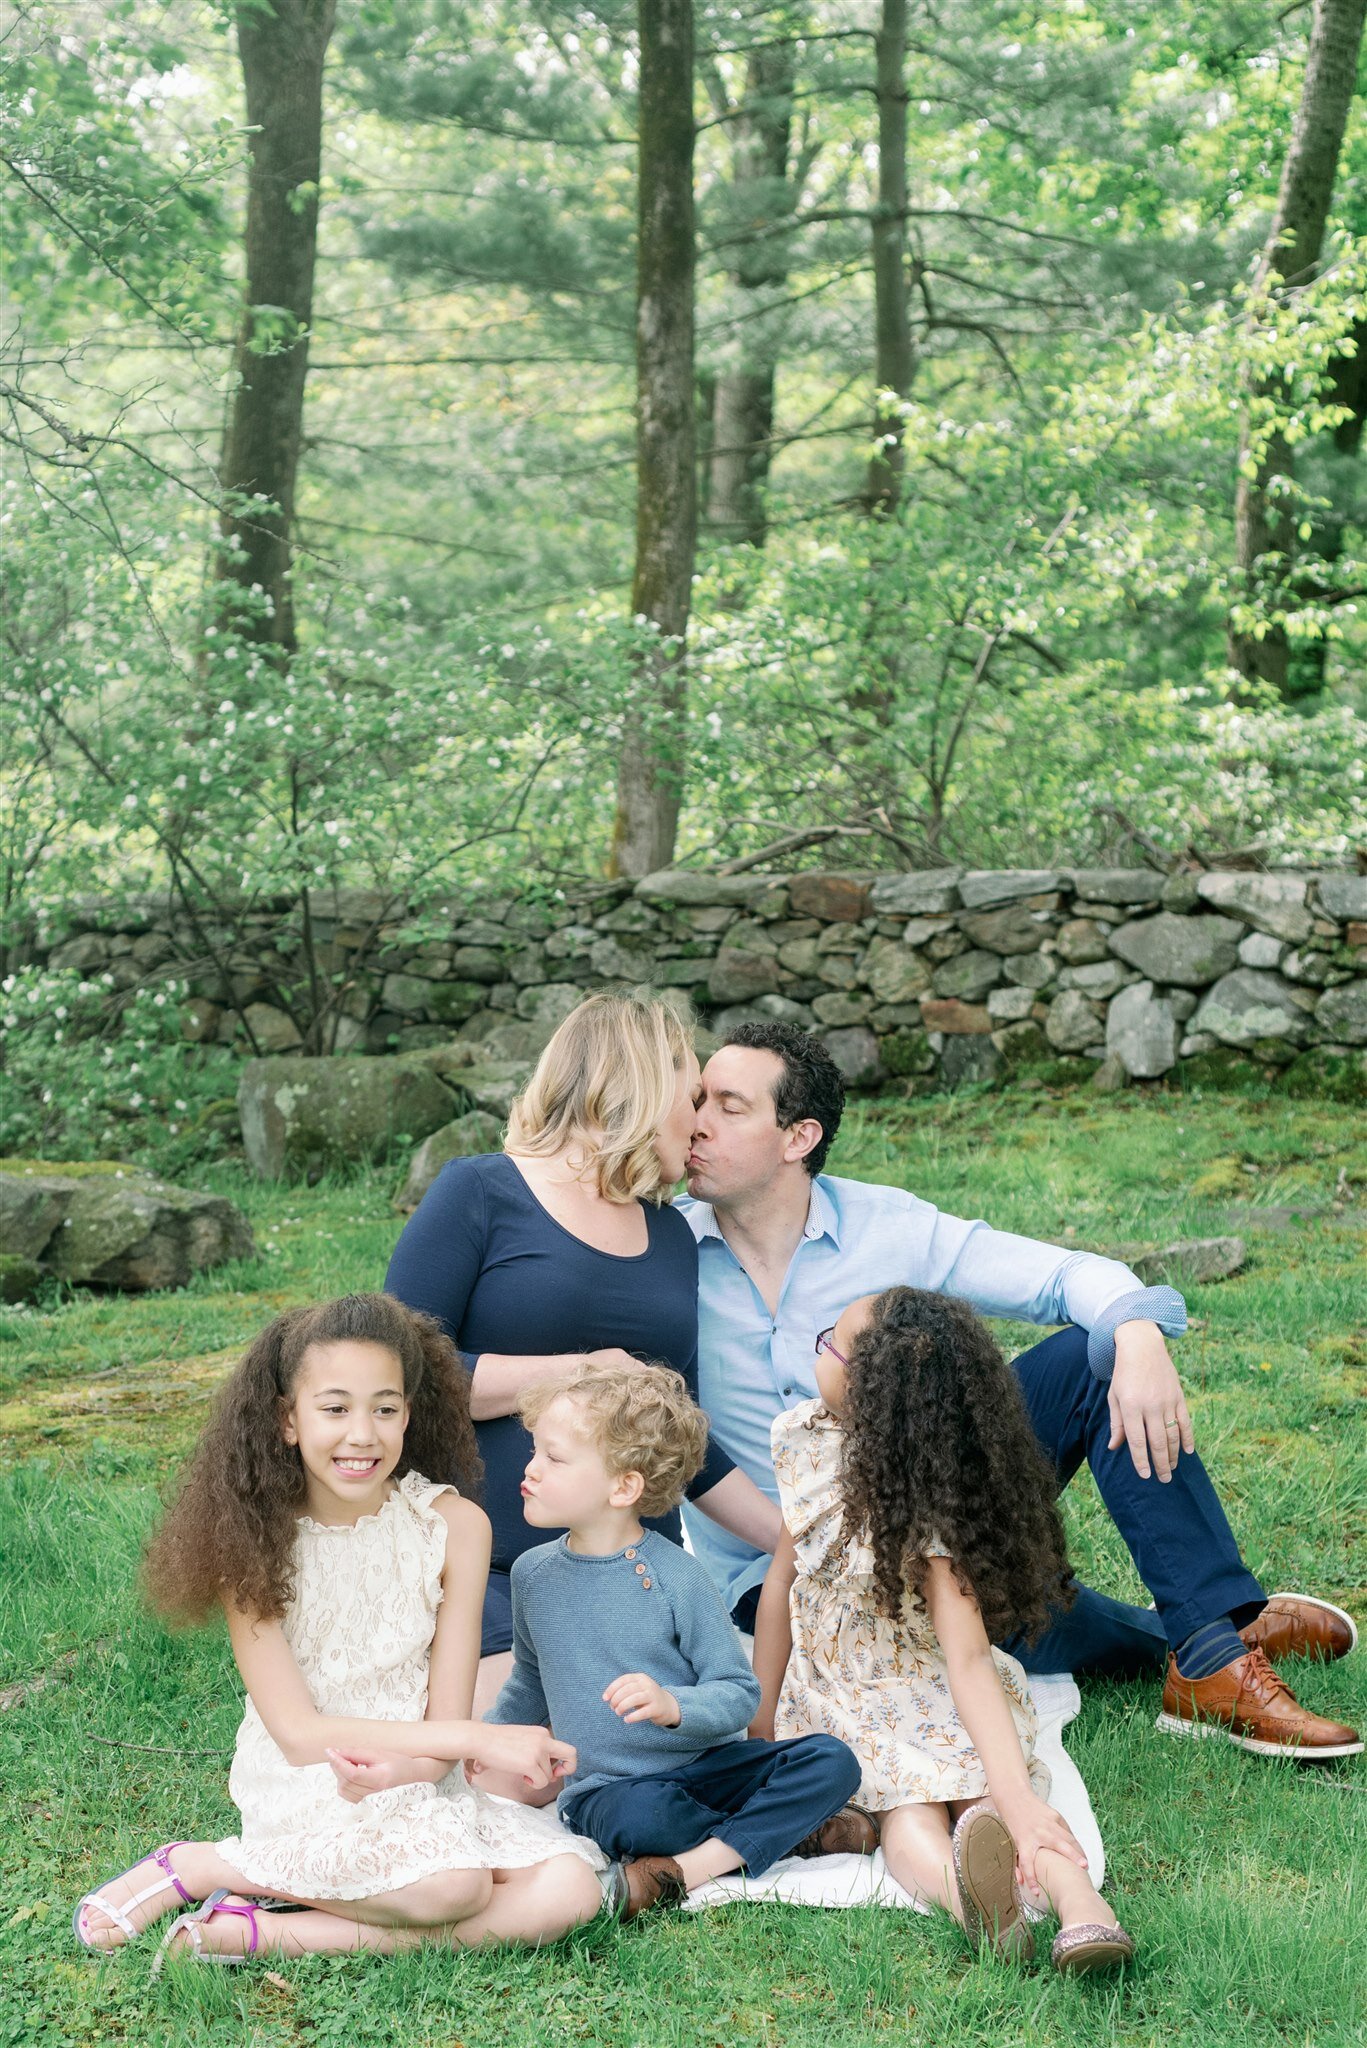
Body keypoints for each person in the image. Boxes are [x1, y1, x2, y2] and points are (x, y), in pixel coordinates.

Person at [680, 1021, 1360, 1762]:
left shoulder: (887, 1227)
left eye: (728, 1105)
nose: (696, 1123)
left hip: (930, 1501)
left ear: (797, 1136)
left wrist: (1135, 1333)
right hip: (788, 1571)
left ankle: (1204, 1647)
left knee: (1089, 1357)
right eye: (696, 1101)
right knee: (1021, 1615)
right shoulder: (659, 1257)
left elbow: (1062, 1276)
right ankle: (1209, 1636)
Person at [71, 1294, 606, 1964]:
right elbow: (297, 1736)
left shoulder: (455, 1526)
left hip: (417, 1775)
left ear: (410, 1414)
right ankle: (202, 1865)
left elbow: (441, 1734)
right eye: (334, 1408)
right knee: (453, 1886)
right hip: (306, 1778)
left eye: (385, 1408)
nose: (363, 1434)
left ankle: (259, 1934)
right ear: (287, 1420)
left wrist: (406, 1770)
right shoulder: (252, 1535)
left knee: (571, 1889)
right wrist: (481, 1738)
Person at [385, 991, 781, 1717]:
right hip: (490, 1564)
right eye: (691, 1096)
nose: (699, 1122)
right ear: (636, 1086)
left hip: (633, 1573)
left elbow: (681, 1436)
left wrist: (793, 1539)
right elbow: (395, 1381)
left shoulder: (670, 1238)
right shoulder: (478, 1192)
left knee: (683, 1726)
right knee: (530, 1766)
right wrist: (584, 1369)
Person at [753, 1287, 1135, 1974]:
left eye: (828, 1344)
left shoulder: (930, 1503)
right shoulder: (801, 1442)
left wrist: (1015, 1798)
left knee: (975, 1804)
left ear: (867, 1389)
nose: (820, 1355)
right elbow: (781, 1585)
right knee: (917, 1810)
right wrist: (759, 1723)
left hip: (922, 1686)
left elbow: (965, 1661)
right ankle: (997, 1916)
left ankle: (1080, 1910)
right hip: (838, 1691)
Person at [481, 1360, 875, 1918]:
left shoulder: (677, 1576)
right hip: (611, 1791)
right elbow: (530, 1682)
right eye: (535, 1451)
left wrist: (673, 1706)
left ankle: (686, 1870)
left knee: (832, 1761)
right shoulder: (531, 1575)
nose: (531, 1469)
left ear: (624, 1486)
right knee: (645, 1821)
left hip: (708, 1769)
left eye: (555, 1457)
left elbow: (740, 1693)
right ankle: (782, 1835)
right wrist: (484, 1741)